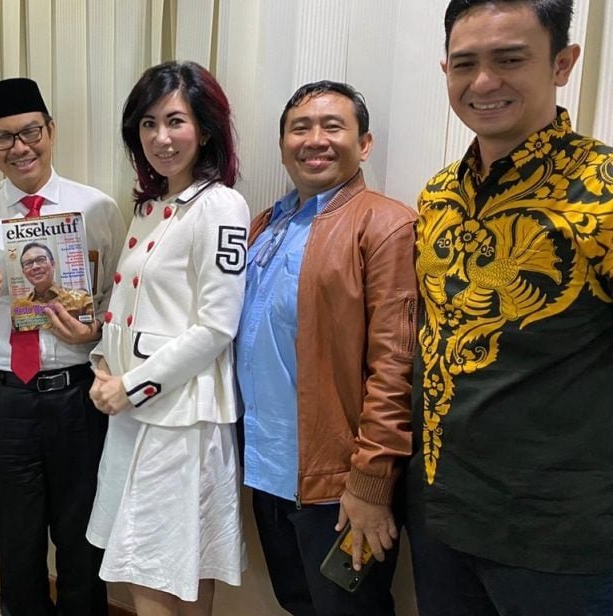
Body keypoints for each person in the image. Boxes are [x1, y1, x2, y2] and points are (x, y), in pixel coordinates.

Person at [409, 1, 613, 614]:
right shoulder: (438, 195)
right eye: (464, 63)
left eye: (509, 59)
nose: (483, 82)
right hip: (442, 516)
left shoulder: (603, 189)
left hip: (561, 537)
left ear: (562, 64)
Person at [0, 77, 125, 616]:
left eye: (30, 132)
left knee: (83, 538)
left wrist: (96, 332)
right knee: (15, 540)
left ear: (51, 131)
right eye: (2, 137)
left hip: (79, 395)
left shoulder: (98, 208)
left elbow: (121, 303)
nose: (19, 147)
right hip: (3, 397)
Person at [237, 81, 415, 615]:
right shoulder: (266, 224)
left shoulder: (385, 225)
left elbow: (396, 366)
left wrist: (371, 482)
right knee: (297, 601)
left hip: (340, 483)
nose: (315, 139)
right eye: (300, 128)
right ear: (282, 146)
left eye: (332, 126)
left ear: (364, 144)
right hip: (269, 468)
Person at [87, 60, 249, 616]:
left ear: (205, 128)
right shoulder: (150, 208)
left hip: (180, 418)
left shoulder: (220, 206)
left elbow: (217, 326)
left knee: (157, 566)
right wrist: (102, 366)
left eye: (175, 121)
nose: (161, 137)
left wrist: (130, 386)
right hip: (133, 411)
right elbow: (131, 310)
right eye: (148, 123)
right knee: (160, 562)